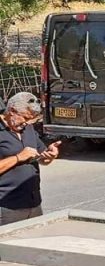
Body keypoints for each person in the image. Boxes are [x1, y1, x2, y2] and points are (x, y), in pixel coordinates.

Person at [0, 93, 60, 225]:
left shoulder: (28, 128)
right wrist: (18, 157)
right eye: (25, 118)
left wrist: (50, 155)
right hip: (6, 206)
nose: (27, 123)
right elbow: (23, 156)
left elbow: (41, 158)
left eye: (31, 120)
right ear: (12, 111)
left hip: (34, 203)